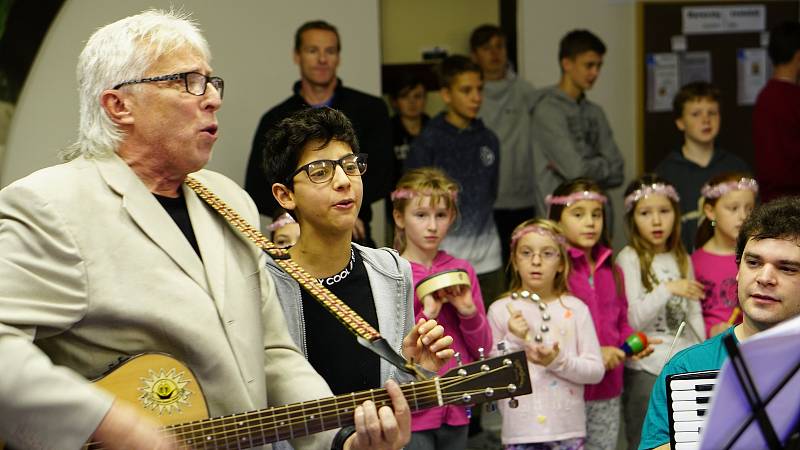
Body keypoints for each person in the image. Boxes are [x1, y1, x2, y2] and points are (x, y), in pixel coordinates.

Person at [0, 10, 412, 450]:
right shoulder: (50, 204)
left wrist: (340, 441)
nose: (211, 98)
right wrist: (105, 422)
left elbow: (273, 354)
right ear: (118, 105)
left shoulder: (229, 201)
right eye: (186, 82)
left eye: (211, 82)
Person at [262, 107, 454, 404]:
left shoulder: (392, 271)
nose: (343, 181)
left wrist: (420, 371)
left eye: (350, 166)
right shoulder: (263, 283)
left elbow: (395, 398)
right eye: (321, 171)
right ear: (285, 195)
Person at [639, 196, 800, 450]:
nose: (765, 278)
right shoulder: (688, 367)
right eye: (754, 262)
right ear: (738, 270)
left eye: (787, 268)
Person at [246, 20, 393, 247]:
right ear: (297, 56)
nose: (322, 59)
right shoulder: (275, 119)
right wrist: (293, 215)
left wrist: (348, 210)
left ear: (339, 58)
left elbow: (383, 173)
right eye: (313, 50)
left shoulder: (371, 109)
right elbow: (258, 185)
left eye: (330, 51)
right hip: (298, 237)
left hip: (357, 233)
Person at [547, 178, 655, 450]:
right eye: (579, 214)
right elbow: (550, 330)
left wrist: (631, 343)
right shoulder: (555, 270)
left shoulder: (613, 271)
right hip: (566, 390)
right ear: (557, 220)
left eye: (596, 215)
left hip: (607, 390)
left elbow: (621, 321)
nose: (590, 222)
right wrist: (597, 353)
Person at [391, 167, 493, 450]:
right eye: (421, 215)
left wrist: (469, 312)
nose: (432, 226)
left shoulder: (463, 270)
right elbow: (391, 349)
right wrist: (428, 315)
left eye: (441, 215)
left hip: (457, 405)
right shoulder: (392, 272)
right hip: (414, 407)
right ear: (399, 217)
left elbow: (483, 348)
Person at [487, 218, 604, 450]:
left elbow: (595, 371)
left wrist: (557, 361)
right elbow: (490, 376)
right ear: (515, 260)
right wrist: (513, 339)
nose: (537, 261)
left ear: (561, 263)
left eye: (548, 253)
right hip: (520, 434)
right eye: (527, 253)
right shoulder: (500, 310)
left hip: (568, 432)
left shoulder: (576, 309)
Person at [405, 55, 503, 306]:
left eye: (479, 89)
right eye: (466, 90)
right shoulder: (428, 142)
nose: (476, 97)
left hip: (490, 256)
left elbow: (491, 193)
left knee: (491, 331)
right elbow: (413, 204)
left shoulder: (489, 139)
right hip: (443, 257)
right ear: (446, 94)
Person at [616, 174, 705, 449]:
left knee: (686, 439)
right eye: (645, 213)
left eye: (664, 212)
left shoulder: (682, 257)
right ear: (633, 219)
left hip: (684, 366)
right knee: (647, 439)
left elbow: (694, 313)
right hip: (646, 367)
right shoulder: (628, 258)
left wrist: (702, 354)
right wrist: (667, 288)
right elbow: (633, 319)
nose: (656, 221)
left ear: (675, 215)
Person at [531, 29, 624, 216]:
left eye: (599, 66)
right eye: (589, 65)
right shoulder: (548, 110)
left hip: (599, 215)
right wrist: (601, 164)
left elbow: (618, 170)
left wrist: (587, 166)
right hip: (561, 219)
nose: (595, 73)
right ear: (567, 64)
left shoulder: (595, 111)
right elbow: (575, 170)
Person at [470, 24, 540, 265]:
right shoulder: (470, 96)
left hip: (524, 197)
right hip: (486, 203)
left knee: (526, 266)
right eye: (487, 48)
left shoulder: (526, 91)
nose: (495, 53)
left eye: (499, 46)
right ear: (474, 55)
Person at [654, 81, 750, 252]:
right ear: (680, 122)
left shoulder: (735, 167)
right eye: (696, 114)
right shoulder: (665, 173)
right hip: (681, 259)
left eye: (712, 113)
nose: (706, 120)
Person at [692, 173, 758, 338]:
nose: (743, 216)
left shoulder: (757, 258)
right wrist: (709, 331)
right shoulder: (694, 262)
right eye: (733, 208)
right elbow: (689, 314)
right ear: (710, 211)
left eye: (749, 208)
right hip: (710, 348)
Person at [753, 20, 800, 203]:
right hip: (793, 203)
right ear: (798, 56)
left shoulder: (764, 97)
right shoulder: (794, 98)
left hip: (770, 202)